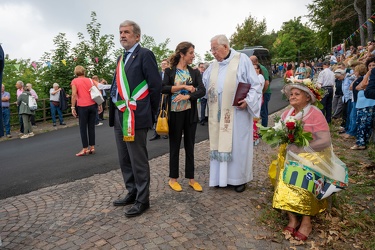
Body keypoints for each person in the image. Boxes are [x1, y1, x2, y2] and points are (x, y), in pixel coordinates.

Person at [273, 81, 348, 241]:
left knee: (303, 178)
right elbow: (279, 134)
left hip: (314, 155)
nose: (292, 96)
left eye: (296, 94)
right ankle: (293, 219)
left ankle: (306, 221)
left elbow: (325, 140)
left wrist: (302, 149)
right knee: (284, 179)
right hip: (291, 155)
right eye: (291, 94)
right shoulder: (287, 114)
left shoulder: (314, 113)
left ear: (308, 97)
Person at [109, 20, 161, 217]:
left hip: (135, 116)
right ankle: (132, 191)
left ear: (137, 36)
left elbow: (155, 86)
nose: (122, 35)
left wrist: (150, 113)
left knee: (137, 159)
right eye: (120, 32)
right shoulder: (121, 58)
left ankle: (143, 199)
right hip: (119, 114)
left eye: (127, 32)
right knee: (124, 158)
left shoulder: (145, 55)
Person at [202, 34, 262, 192]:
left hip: (237, 113)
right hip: (218, 113)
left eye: (215, 49)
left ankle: (238, 179)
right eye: (211, 50)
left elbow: (255, 85)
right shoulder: (213, 65)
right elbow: (204, 85)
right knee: (219, 142)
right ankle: (220, 179)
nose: (213, 53)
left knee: (237, 145)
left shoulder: (241, 60)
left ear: (226, 47)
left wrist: (248, 101)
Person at [161, 42, 206, 192]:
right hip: (174, 114)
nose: (193, 56)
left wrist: (188, 97)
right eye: (191, 53)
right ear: (182, 54)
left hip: (190, 113)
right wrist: (183, 87)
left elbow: (202, 91)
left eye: (193, 53)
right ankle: (173, 179)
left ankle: (191, 179)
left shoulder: (195, 73)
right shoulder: (170, 71)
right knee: (174, 146)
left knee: (190, 146)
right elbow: (163, 88)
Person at [71, 66, 102, 156]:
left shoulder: (75, 81)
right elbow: (97, 91)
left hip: (82, 106)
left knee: (83, 127)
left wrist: (73, 107)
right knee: (91, 126)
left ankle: (85, 148)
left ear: (76, 73)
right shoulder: (90, 80)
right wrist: (99, 104)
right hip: (93, 105)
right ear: (84, 72)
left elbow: (74, 94)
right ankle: (92, 147)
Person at [149, 58, 169, 141]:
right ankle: (156, 133)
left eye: (165, 64)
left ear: (168, 65)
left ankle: (165, 132)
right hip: (158, 96)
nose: (163, 65)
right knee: (157, 113)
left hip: (167, 96)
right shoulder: (158, 74)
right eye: (162, 64)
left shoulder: (170, 74)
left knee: (166, 113)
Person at [250, 55, 270, 127]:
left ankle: (264, 128)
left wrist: (262, 93)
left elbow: (266, 83)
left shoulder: (262, 69)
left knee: (263, 112)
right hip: (261, 94)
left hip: (265, 92)